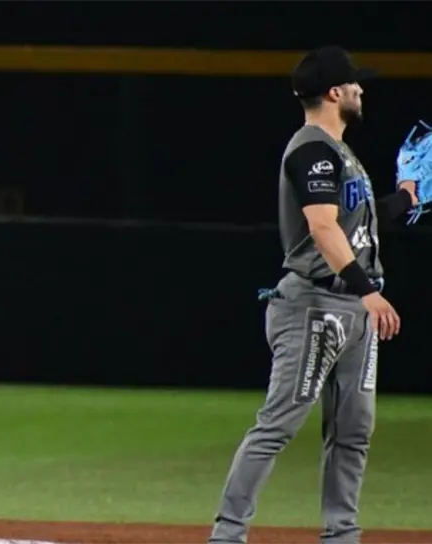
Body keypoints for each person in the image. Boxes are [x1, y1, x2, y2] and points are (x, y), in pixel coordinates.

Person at [207, 45, 419, 544]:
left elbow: (357, 225)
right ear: (334, 92)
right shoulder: (311, 150)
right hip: (314, 305)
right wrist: (368, 291)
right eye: (354, 83)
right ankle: (227, 534)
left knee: (353, 430)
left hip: (352, 310)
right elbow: (322, 228)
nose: (361, 89)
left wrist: (405, 198)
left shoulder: (342, 155)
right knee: (279, 423)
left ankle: (341, 534)